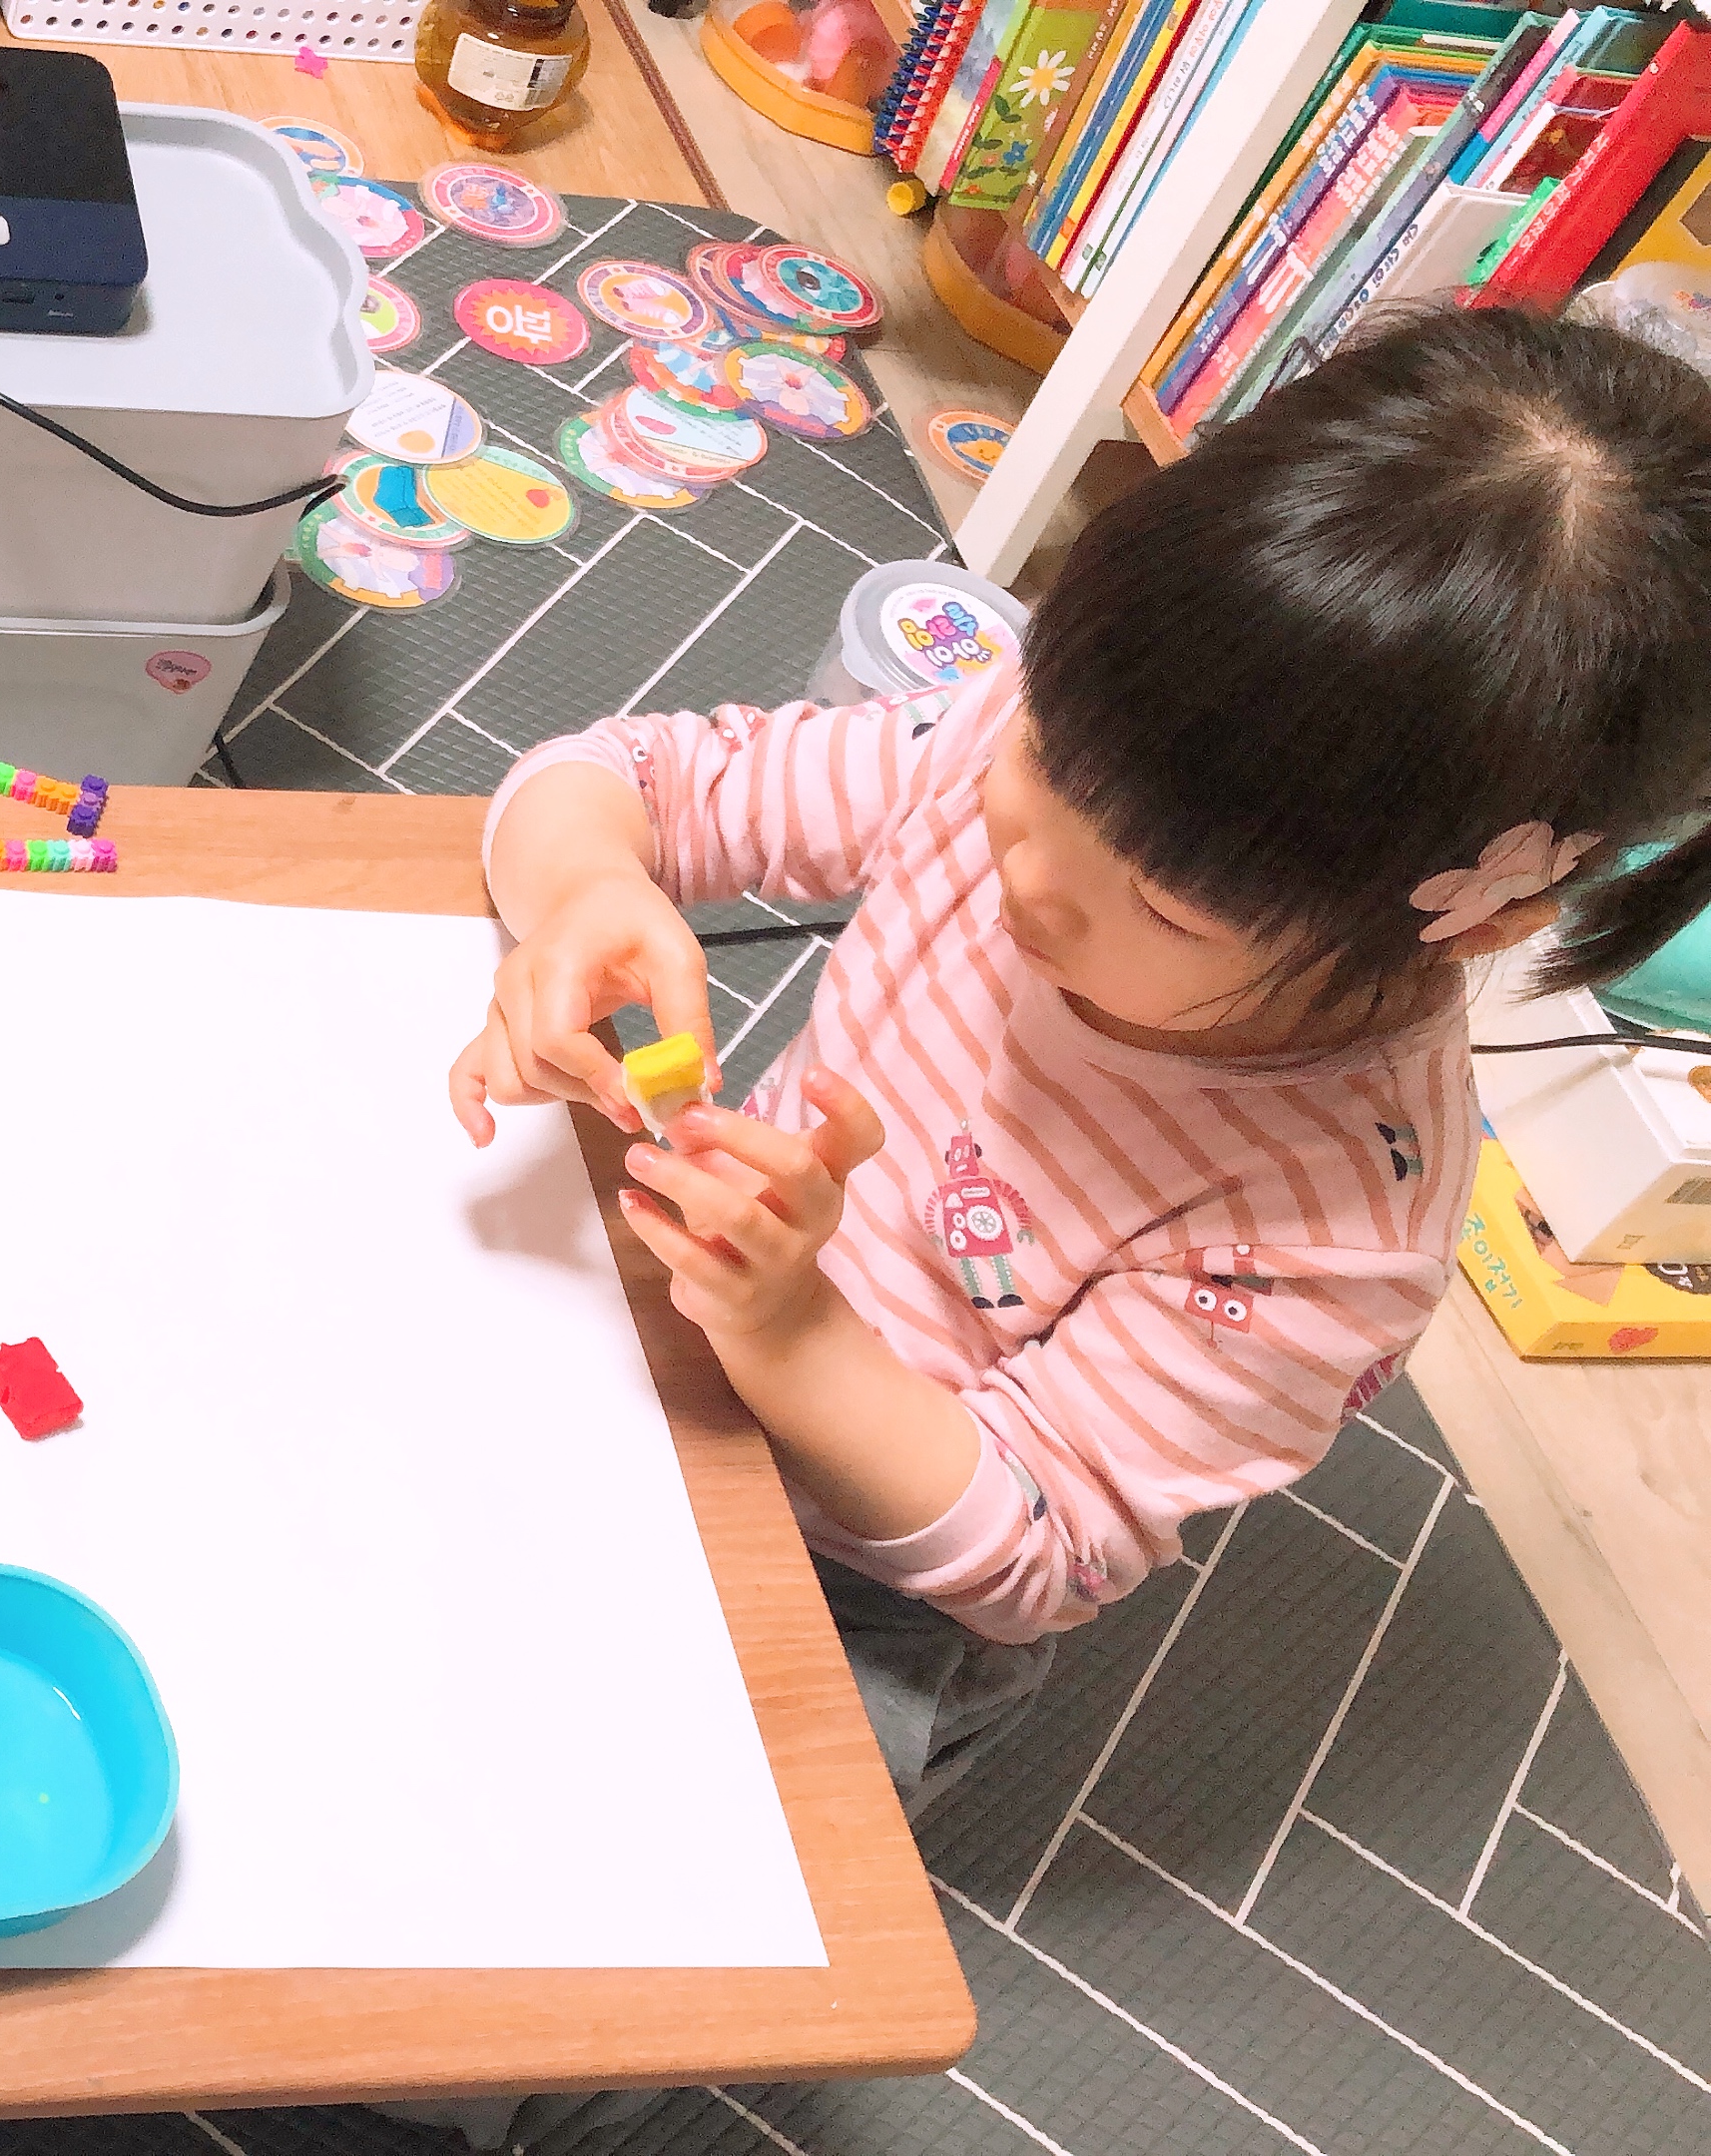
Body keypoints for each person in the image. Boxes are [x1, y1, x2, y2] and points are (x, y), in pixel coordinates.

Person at [419, 305, 1711, 2147]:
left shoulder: (1331, 1218)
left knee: (701, 1929)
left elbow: (1037, 1547)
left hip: (877, 1555)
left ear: (1481, 915)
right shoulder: (1016, 754)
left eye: (1157, 907)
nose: (1022, 870)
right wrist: (588, 894)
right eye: (1041, 761)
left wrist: (794, 1335)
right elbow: (627, 776)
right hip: (689, 1312)